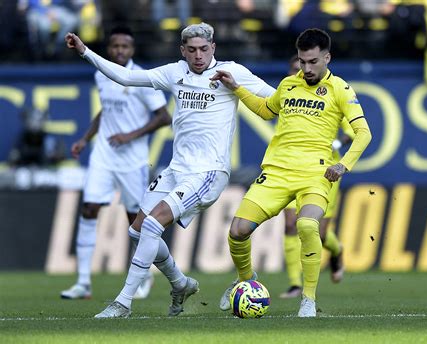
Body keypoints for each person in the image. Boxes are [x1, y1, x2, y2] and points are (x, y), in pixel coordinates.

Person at [64, 22, 275, 318]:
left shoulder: (233, 71)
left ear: (213, 48)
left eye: (204, 49)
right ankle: (180, 283)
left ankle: (122, 303)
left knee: (153, 225)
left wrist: (238, 89)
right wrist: (86, 51)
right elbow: (125, 77)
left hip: (209, 173)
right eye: (192, 50)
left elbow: (275, 100)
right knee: (137, 231)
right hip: (177, 170)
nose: (198, 56)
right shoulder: (174, 73)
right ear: (183, 51)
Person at [212, 28, 372, 317]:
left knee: (307, 226)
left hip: (316, 174)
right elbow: (264, 109)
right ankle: (246, 280)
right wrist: (237, 88)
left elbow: (363, 133)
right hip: (276, 172)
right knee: (237, 231)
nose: (306, 68)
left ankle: (308, 299)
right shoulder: (288, 85)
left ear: (327, 57)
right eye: (302, 61)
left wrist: (343, 164)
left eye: (312, 62)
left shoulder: (341, 89)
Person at [60, 26, 171, 301]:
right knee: (89, 209)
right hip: (104, 155)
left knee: (136, 221)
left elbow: (164, 117)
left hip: (132, 160)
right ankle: (83, 282)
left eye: (125, 46)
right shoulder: (102, 73)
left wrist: (130, 135)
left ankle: (144, 275)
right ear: (109, 48)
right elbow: (105, 111)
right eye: (115, 46)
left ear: (132, 50)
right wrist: (86, 139)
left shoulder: (142, 78)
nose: (119, 50)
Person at [279, 54, 354, 299]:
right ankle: (294, 284)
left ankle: (337, 249)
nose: (299, 71)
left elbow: (352, 132)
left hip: (324, 171)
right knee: (291, 224)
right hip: (291, 169)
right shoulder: (288, 93)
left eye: (304, 66)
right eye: (296, 67)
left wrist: (334, 142)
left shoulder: (330, 93)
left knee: (317, 232)